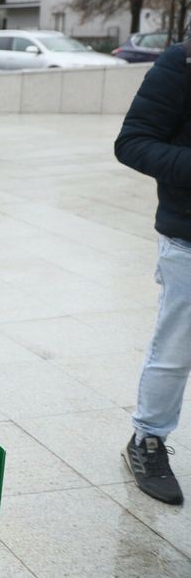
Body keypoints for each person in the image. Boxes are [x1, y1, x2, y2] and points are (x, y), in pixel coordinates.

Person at [114, 42, 191, 506]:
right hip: (188, 239)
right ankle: (147, 439)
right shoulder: (181, 64)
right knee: (176, 350)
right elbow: (133, 142)